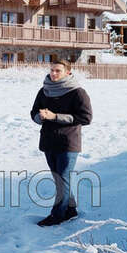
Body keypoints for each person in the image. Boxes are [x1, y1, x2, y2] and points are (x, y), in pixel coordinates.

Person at [30, 58, 92, 226]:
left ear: (68, 73)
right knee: (59, 180)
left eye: (58, 70)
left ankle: (57, 215)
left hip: (68, 143)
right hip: (48, 141)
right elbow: (33, 111)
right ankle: (70, 210)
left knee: (62, 179)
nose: (54, 73)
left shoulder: (77, 92)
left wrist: (55, 117)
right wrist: (40, 117)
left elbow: (85, 118)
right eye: (52, 70)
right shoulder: (44, 90)